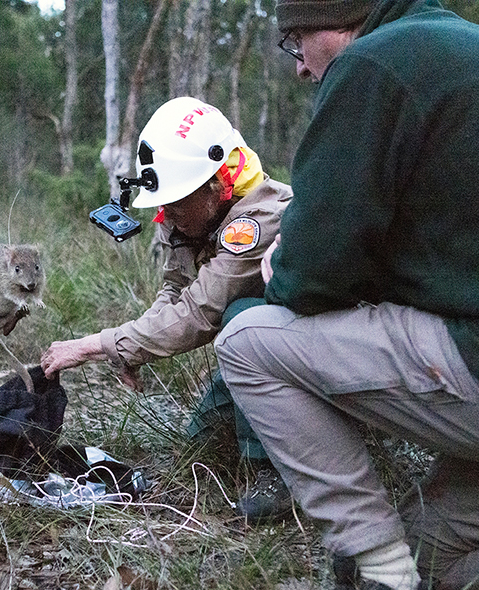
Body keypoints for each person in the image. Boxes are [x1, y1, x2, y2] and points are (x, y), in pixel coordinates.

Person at [213, 0, 479, 589]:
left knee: (246, 342)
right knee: (434, 552)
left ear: (333, 21)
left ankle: (377, 568)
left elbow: (310, 277)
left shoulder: (371, 66)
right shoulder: (461, 45)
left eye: (295, 42)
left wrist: (279, 267)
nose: (301, 67)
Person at [41, 96, 293, 519]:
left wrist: (96, 345)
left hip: (310, 354)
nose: (167, 215)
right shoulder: (194, 216)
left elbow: (200, 312)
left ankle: (277, 472)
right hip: (260, 355)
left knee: (242, 316)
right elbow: (174, 289)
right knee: (197, 448)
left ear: (216, 183)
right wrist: (130, 348)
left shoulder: (260, 219)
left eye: (176, 203)